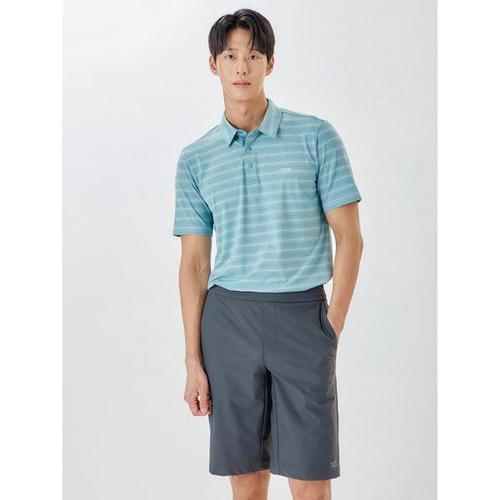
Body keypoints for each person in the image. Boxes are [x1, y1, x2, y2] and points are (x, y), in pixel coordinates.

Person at [173, 8, 363, 500]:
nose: (242, 66)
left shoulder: (316, 136)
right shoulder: (196, 158)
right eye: (230, 55)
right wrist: (193, 358)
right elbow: (194, 264)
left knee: (311, 482)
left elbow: (350, 237)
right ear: (213, 64)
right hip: (228, 323)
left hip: (302, 316)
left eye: (253, 56)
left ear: (270, 64)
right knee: (246, 481)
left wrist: (331, 327)